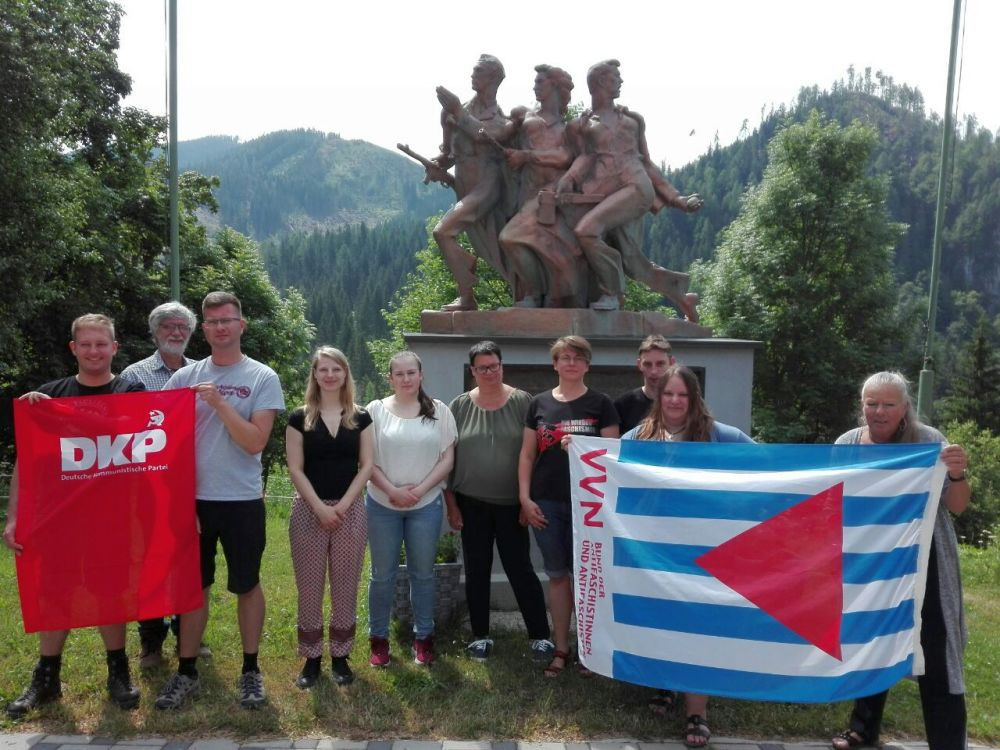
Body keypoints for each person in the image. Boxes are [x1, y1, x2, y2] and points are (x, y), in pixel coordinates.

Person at [4, 314, 144, 718]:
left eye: (102, 344)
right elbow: (27, 467)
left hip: (111, 519)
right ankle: (46, 678)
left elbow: (130, 433)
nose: (95, 351)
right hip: (59, 520)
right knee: (54, 594)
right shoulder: (48, 396)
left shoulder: (131, 391)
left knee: (110, 594)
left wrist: (62, 416)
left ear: (115, 348)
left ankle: (118, 672)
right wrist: (14, 518)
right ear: (73, 349)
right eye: (87, 344)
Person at [154, 291, 285, 710]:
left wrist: (219, 403)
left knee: (247, 584)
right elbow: (159, 440)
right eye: (211, 322)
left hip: (242, 499)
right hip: (193, 502)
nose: (220, 327)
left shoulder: (262, 377)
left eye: (227, 320)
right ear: (204, 330)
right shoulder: (181, 379)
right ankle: (186, 671)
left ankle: (251, 670)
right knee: (195, 588)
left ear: (241, 325)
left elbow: (254, 442)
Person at [830, 371, 970, 750]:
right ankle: (863, 728)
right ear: (861, 406)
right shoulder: (846, 445)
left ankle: (947, 741)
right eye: (871, 403)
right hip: (871, 564)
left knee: (936, 649)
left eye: (888, 404)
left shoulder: (929, 442)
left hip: (926, 562)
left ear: (905, 407)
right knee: (872, 642)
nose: (879, 411)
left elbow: (957, 506)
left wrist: (956, 474)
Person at [622, 364, 753, 747]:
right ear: (658, 397)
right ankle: (665, 685)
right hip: (654, 549)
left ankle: (697, 712)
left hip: (703, 551)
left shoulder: (719, 436)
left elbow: (766, 465)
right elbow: (606, 465)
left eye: (683, 395)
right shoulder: (640, 436)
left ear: (694, 399)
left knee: (698, 625)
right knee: (661, 619)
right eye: (668, 394)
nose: (676, 401)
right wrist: (577, 450)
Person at [558, 59, 702, 318]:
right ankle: (681, 296)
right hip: (603, 193)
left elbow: (646, 162)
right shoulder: (581, 125)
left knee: (586, 231)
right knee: (632, 262)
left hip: (635, 188)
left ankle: (613, 293)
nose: (621, 82)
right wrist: (568, 178)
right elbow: (585, 157)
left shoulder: (632, 121)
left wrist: (677, 199)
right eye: (615, 78)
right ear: (600, 82)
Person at [445, 341, 553, 663]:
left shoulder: (524, 403)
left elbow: (534, 454)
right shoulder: (459, 406)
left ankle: (540, 637)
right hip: (471, 502)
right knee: (477, 570)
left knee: (520, 569)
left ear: (502, 366)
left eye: (495, 366)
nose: (490, 372)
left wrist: (526, 500)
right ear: (473, 371)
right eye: (482, 368)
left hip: (512, 505)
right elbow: (448, 458)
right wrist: (451, 504)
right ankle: (480, 636)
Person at [518, 335, 619, 678]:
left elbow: (612, 454)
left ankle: (590, 650)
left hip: (589, 503)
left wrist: (583, 444)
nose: (571, 363)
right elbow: (528, 454)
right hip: (546, 501)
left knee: (589, 577)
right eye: (565, 357)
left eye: (578, 358)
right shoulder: (539, 404)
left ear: (587, 365)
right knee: (558, 575)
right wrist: (525, 497)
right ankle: (561, 647)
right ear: (555, 363)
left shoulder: (601, 403)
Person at [120, 301, 206, 669]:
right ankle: (150, 642)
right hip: (147, 486)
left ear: (190, 333)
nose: (175, 333)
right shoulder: (133, 375)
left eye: (182, 327)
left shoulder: (202, 372)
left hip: (194, 484)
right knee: (150, 564)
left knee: (192, 563)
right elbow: (117, 428)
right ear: (155, 332)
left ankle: (188, 635)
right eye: (168, 327)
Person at [285, 346, 373, 688]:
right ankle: (311, 659)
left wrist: (345, 504)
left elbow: (366, 465)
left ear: (345, 373)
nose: (330, 375)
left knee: (346, 586)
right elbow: (295, 468)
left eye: (336, 369)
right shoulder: (299, 417)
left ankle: (340, 656)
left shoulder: (360, 416)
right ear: (315, 375)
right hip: (309, 510)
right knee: (309, 587)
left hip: (350, 511)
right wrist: (320, 508)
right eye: (324, 369)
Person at [366, 351, 456, 666]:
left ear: (421, 375)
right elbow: (366, 461)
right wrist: (392, 490)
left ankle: (424, 639)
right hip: (381, 504)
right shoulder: (375, 411)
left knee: (423, 574)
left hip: (425, 504)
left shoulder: (440, 412)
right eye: (399, 374)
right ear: (389, 378)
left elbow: (447, 459)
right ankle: (378, 640)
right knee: (382, 575)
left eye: (411, 373)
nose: (406, 379)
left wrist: (418, 491)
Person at [431, 54, 517, 311]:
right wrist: (438, 166)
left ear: (493, 78)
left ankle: (467, 296)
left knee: (443, 232)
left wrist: (458, 110)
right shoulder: (452, 112)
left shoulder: (502, 120)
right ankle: (471, 292)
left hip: (487, 186)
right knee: (491, 247)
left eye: (478, 71)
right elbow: (448, 155)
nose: (472, 75)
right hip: (464, 186)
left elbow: (487, 137)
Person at [498, 64, 583, 308]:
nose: (534, 86)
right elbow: (499, 133)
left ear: (555, 86)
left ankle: (539, 295)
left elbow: (566, 158)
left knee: (513, 237)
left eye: (540, 82)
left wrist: (527, 156)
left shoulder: (568, 128)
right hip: (526, 191)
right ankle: (539, 295)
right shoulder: (524, 115)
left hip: (553, 193)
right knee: (528, 242)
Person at [614, 334, 676, 433]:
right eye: (647, 364)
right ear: (639, 365)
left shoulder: (684, 404)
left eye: (660, 364)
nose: (654, 371)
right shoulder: (622, 405)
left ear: (672, 363)